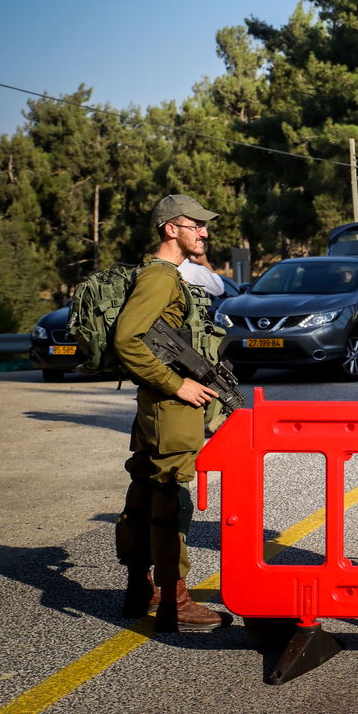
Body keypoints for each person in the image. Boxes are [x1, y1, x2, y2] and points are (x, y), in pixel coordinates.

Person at [112, 194, 226, 632]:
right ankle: (176, 601)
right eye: (195, 225)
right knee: (170, 497)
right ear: (170, 228)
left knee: (144, 488)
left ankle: (141, 588)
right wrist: (178, 384)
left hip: (157, 406)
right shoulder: (160, 277)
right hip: (170, 405)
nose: (204, 232)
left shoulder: (164, 274)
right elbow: (128, 340)